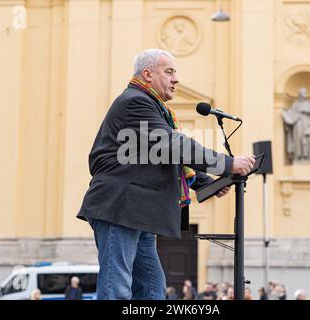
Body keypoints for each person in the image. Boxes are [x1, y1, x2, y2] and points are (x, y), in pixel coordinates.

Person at [76, 48, 255, 300]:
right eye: (169, 72)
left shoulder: (153, 107)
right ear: (148, 74)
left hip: (139, 212)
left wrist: (205, 182)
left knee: (152, 289)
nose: (176, 79)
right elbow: (172, 145)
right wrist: (227, 164)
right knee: (115, 288)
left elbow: (164, 156)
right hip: (120, 207)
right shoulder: (135, 102)